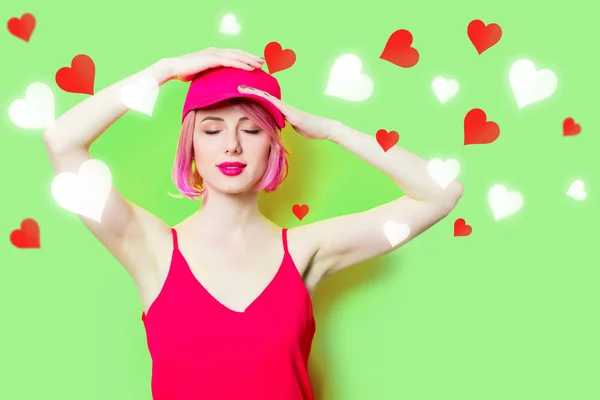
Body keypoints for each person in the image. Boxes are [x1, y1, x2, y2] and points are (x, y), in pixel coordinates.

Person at [43, 47, 464, 400]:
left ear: (272, 146)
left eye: (251, 129)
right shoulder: (149, 246)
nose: (232, 145)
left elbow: (440, 193)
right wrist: (167, 69)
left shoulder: (305, 250)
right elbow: (62, 141)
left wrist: (332, 130)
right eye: (212, 129)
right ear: (191, 146)